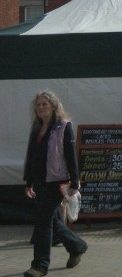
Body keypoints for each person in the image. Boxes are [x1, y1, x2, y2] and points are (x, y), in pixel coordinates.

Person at [23, 91, 88, 277]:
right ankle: (77, 246)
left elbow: (70, 155)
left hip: (57, 181)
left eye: (45, 104)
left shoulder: (63, 126)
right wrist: (29, 181)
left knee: (43, 222)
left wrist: (75, 181)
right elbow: (32, 155)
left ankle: (39, 266)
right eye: (38, 105)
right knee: (51, 220)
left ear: (53, 105)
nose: (41, 107)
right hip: (40, 180)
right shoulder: (36, 128)